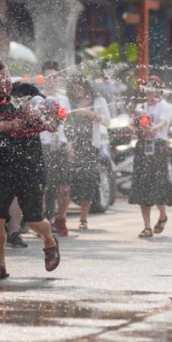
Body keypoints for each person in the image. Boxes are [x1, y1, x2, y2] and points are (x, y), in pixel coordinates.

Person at [0, 57, 60, 279]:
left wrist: (50, 118)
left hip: (31, 165)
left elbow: (47, 110)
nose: (3, 82)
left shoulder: (25, 89)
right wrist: (7, 125)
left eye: (5, 75)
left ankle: (49, 241)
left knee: (34, 220)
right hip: (3, 165)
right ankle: (0, 266)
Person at [128, 78, 172, 238]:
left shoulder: (166, 107)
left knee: (158, 183)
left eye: (153, 88)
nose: (150, 91)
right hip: (143, 147)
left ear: (159, 90)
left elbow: (163, 123)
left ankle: (162, 215)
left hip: (158, 147)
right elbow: (132, 124)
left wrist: (151, 129)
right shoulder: (140, 107)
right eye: (147, 87)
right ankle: (147, 226)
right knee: (142, 185)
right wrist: (136, 128)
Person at [66, 74, 109, 231]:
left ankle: (83, 218)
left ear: (86, 87)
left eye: (80, 86)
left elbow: (107, 121)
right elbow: (67, 124)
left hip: (90, 146)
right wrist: (69, 145)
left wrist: (90, 114)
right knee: (68, 181)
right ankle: (61, 217)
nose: (78, 90)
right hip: (72, 145)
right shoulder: (70, 102)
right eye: (75, 87)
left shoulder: (98, 101)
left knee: (88, 181)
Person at [39, 61, 73, 235]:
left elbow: (68, 125)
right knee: (44, 185)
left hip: (59, 145)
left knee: (64, 185)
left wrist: (70, 144)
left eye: (55, 77)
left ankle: (61, 219)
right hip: (43, 145)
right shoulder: (37, 97)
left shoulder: (63, 99)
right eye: (48, 77)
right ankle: (43, 220)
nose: (51, 80)